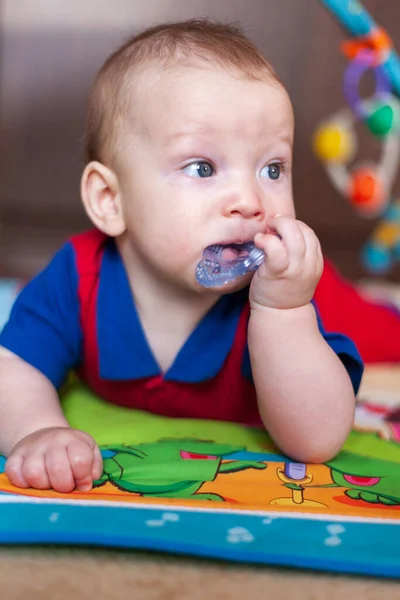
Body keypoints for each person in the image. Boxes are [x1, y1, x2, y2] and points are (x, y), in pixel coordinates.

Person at [0, 19, 363, 494]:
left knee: (375, 327)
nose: (251, 199)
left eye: (272, 168)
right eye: (203, 167)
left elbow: (317, 440)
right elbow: (14, 366)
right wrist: (38, 430)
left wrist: (285, 312)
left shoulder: (273, 295)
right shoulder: (79, 275)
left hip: (313, 299)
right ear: (111, 200)